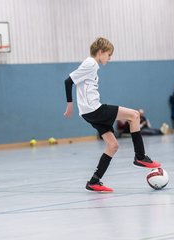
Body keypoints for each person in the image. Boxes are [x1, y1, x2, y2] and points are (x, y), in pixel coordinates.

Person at [63, 37, 161, 192]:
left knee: (113, 145)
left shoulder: (91, 65)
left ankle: (94, 181)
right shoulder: (91, 63)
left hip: (89, 113)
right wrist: (70, 105)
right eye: (109, 54)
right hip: (94, 109)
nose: (110, 58)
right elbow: (68, 82)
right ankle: (140, 156)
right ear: (100, 52)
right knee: (134, 115)